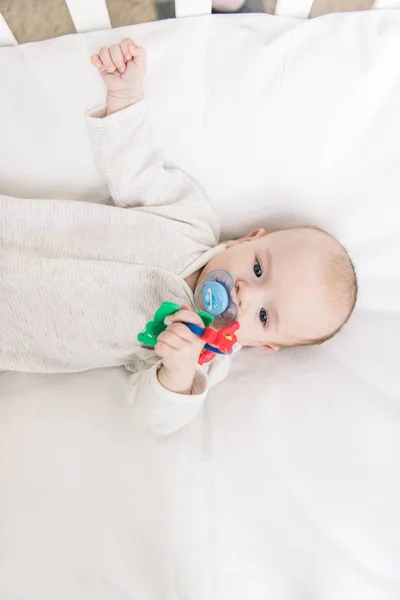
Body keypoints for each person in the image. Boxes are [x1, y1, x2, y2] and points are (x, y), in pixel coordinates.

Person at [1, 39, 357, 435]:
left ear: (263, 345)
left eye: (262, 315)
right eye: (257, 268)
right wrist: (125, 95)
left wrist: (177, 373)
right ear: (248, 239)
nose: (244, 293)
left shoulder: (204, 357)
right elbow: (136, 170)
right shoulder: (192, 219)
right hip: (19, 231)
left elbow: (155, 416)